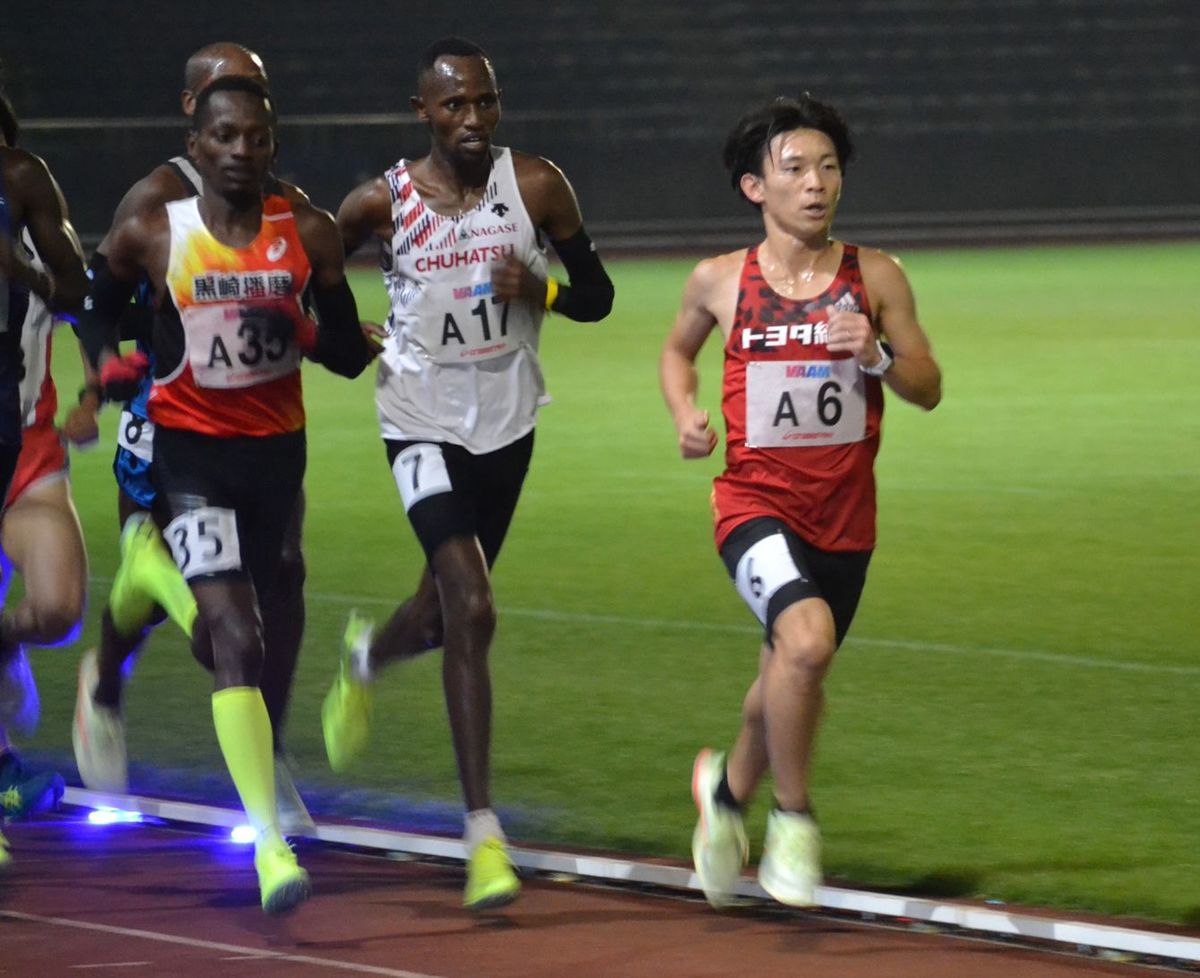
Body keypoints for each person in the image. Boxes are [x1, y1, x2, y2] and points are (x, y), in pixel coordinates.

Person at [328, 36, 614, 911]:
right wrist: (342, 345)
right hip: (416, 421)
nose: (473, 120)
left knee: (438, 612)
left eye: (484, 103)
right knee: (474, 605)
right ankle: (483, 836)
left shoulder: (535, 186)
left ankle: (367, 658)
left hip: (508, 423)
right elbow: (311, 270)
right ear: (423, 111)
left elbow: (597, 296)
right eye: (454, 105)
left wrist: (542, 290)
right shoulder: (381, 201)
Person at [75, 76, 373, 912]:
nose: (242, 151)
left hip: (276, 459)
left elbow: (349, 353)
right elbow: (93, 309)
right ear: (197, 148)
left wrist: (308, 333)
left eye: (258, 138)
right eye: (226, 137)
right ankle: (270, 846)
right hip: (192, 460)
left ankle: (144, 576)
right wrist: (104, 365)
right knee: (231, 639)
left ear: (274, 147)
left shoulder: (306, 232)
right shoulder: (152, 230)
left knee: (255, 624)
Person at [660, 95, 942, 909]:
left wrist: (880, 356)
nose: (817, 184)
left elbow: (929, 386)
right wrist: (687, 415)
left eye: (828, 168)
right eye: (796, 169)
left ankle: (721, 796)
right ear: (755, 186)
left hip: (845, 521)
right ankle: (794, 821)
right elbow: (677, 354)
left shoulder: (876, 276)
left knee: (784, 677)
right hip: (752, 506)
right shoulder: (719, 280)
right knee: (808, 644)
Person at [0, 85, 89, 870]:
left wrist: (19, 274)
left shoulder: (24, 182)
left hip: (26, 449)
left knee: (58, 608)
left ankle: (4, 647)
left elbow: (82, 291)